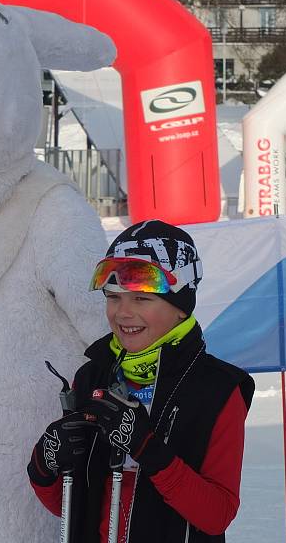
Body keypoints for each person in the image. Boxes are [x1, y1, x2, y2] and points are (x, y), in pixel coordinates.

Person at [28, 219, 255, 543]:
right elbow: (69, 506)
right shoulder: (93, 376)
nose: (123, 312)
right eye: (114, 296)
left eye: (142, 299)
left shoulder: (216, 390)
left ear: (180, 307)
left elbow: (216, 515)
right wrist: (45, 463)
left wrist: (147, 449)